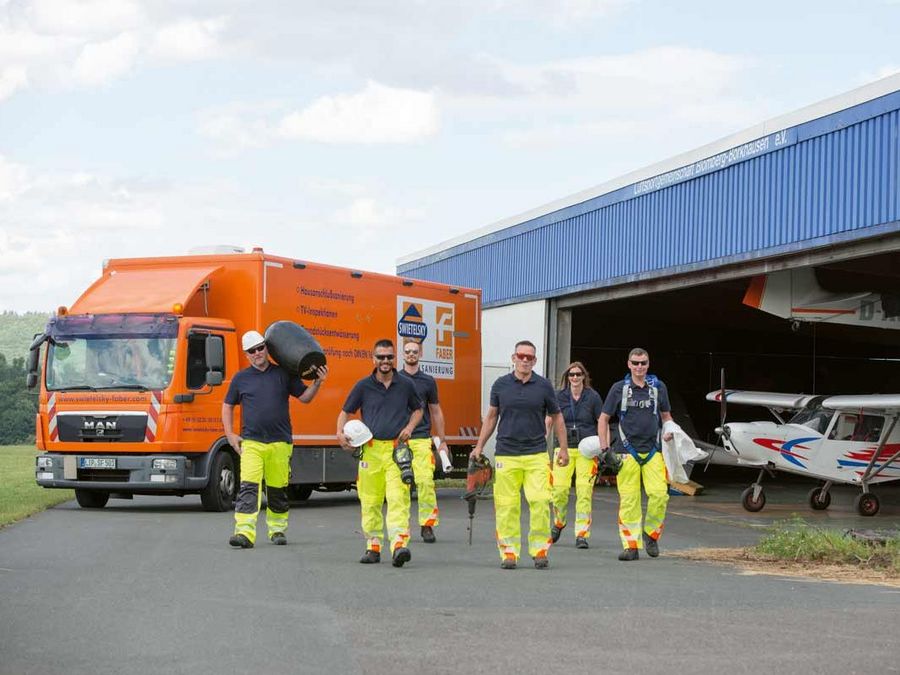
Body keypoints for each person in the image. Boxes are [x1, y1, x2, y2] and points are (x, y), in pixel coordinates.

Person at [222, 330, 327, 549]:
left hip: (280, 442)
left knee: (277, 488)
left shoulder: (284, 373)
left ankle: (277, 529)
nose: (258, 353)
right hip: (252, 442)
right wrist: (230, 434)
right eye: (252, 351)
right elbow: (227, 405)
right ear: (246, 354)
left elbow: (305, 398)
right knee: (248, 487)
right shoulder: (241, 378)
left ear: (267, 348)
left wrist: (317, 383)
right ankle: (244, 533)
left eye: (261, 347)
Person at [471, 340, 569, 570]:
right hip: (507, 454)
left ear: (534, 361)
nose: (525, 360)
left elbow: (558, 418)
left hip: (536, 454)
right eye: (521, 356)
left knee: (540, 501)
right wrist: (478, 446)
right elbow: (492, 417)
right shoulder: (500, 385)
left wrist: (563, 449)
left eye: (529, 357)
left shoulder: (544, 386)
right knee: (507, 506)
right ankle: (509, 553)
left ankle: (539, 551)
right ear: (513, 357)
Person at [337, 339, 423, 568]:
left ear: (394, 359)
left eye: (389, 357)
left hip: (397, 450)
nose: (385, 361)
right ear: (373, 359)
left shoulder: (405, 384)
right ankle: (373, 546)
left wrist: (410, 428)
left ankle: (398, 546)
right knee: (370, 500)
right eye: (381, 357)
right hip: (370, 451)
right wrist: (340, 434)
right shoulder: (363, 386)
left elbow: (418, 409)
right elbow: (345, 412)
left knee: (398, 499)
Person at [598, 348, 674, 561]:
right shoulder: (618, 389)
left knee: (659, 495)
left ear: (648, 364)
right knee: (629, 500)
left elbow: (666, 416)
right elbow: (603, 419)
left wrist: (670, 432)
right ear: (628, 364)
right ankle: (631, 546)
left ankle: (651, 534)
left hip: (653, 451)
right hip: (625, 451)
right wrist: (605, 450)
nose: (639, 367)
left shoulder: (658, 388)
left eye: (643, 363)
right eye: (635, 363)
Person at [547, 361, 604, 549]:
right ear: (567, 377)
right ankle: (559, 522)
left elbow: (602, 421)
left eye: (578, 374)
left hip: (586, 450)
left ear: (584, 377)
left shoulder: (593, 397)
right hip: (563, 447)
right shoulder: (558, 396)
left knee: (584, 492)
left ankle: (582, 534)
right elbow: (549, 419)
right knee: (559, 491)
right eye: (571, 375)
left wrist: (604, 447)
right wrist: (541, 441)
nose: (575, 378)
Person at [398, 340, 447, 543]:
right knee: (400, 486)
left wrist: (442, 440)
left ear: (420, 353)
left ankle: (427, 525)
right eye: (408, 351)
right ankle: (400, 527)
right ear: (403, 354)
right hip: (398, 440)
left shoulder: (428, 381)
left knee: (425, 482)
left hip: (421, 439)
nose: (411, 354)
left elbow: (435, 410)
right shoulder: (395, 379)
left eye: (414, 351)